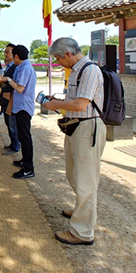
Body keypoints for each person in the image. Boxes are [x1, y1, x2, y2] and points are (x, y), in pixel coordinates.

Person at [43, 37, 106, 246]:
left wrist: (55, 105)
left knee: (86, 180)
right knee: (74, 174)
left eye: (59, 58)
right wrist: (59, 101)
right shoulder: (77, 70)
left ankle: (82, 232)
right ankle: (81, 211)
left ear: (68, 54)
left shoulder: (89, 70)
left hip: (87, 127)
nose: (58, 62)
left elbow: (80, 104)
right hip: (76, 127)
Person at [0, 44, 36, 179]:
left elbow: (19, 88)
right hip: (19, 106)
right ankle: (24, 161)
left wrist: (7, 79)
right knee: (22, 135)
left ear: (16, 56)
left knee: (25, 138)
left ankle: (29, 168)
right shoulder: (21, 67)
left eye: (12, 54)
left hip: (24, 107)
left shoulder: (25, 68)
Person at [0, 44, 20, 156]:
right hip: (6, 98)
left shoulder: (16, 67)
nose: (5, 54)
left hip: (12, 99)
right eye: (5, 52)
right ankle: (13, 143)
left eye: (8, 52)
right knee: (8, 122)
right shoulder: (9, 66)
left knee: (12, 123)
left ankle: (15, 146)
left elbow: (16, 84)